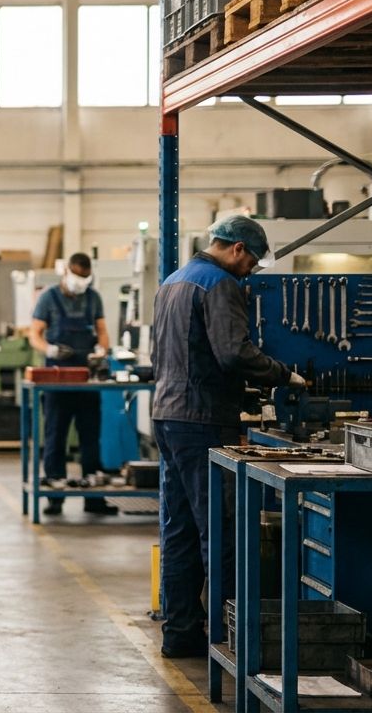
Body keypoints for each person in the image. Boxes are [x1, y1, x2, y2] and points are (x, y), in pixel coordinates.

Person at [151, 215, 302, 657]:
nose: (251, 271)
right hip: (202, 420)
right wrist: (283, 375)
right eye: (252, 262)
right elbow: (233, 352)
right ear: (237, 249)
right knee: (218, 529)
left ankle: (180, 634)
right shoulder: (219, 284)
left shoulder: (174, 281)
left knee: (179, 529)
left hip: (167, 415)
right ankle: (223, 636)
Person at [28, 252, 118, 516]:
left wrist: (102, 351)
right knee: (55, 434)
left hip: (86, 378)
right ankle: (55, 496)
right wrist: (51, 350)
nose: (81, 281)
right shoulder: (49, 298)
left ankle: (94, 497)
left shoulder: (93, 298)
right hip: (56, 378)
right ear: (67, 271)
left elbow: (102, 332)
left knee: (91, 436)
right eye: (77, 276)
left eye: (85, 277)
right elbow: (35, 334)